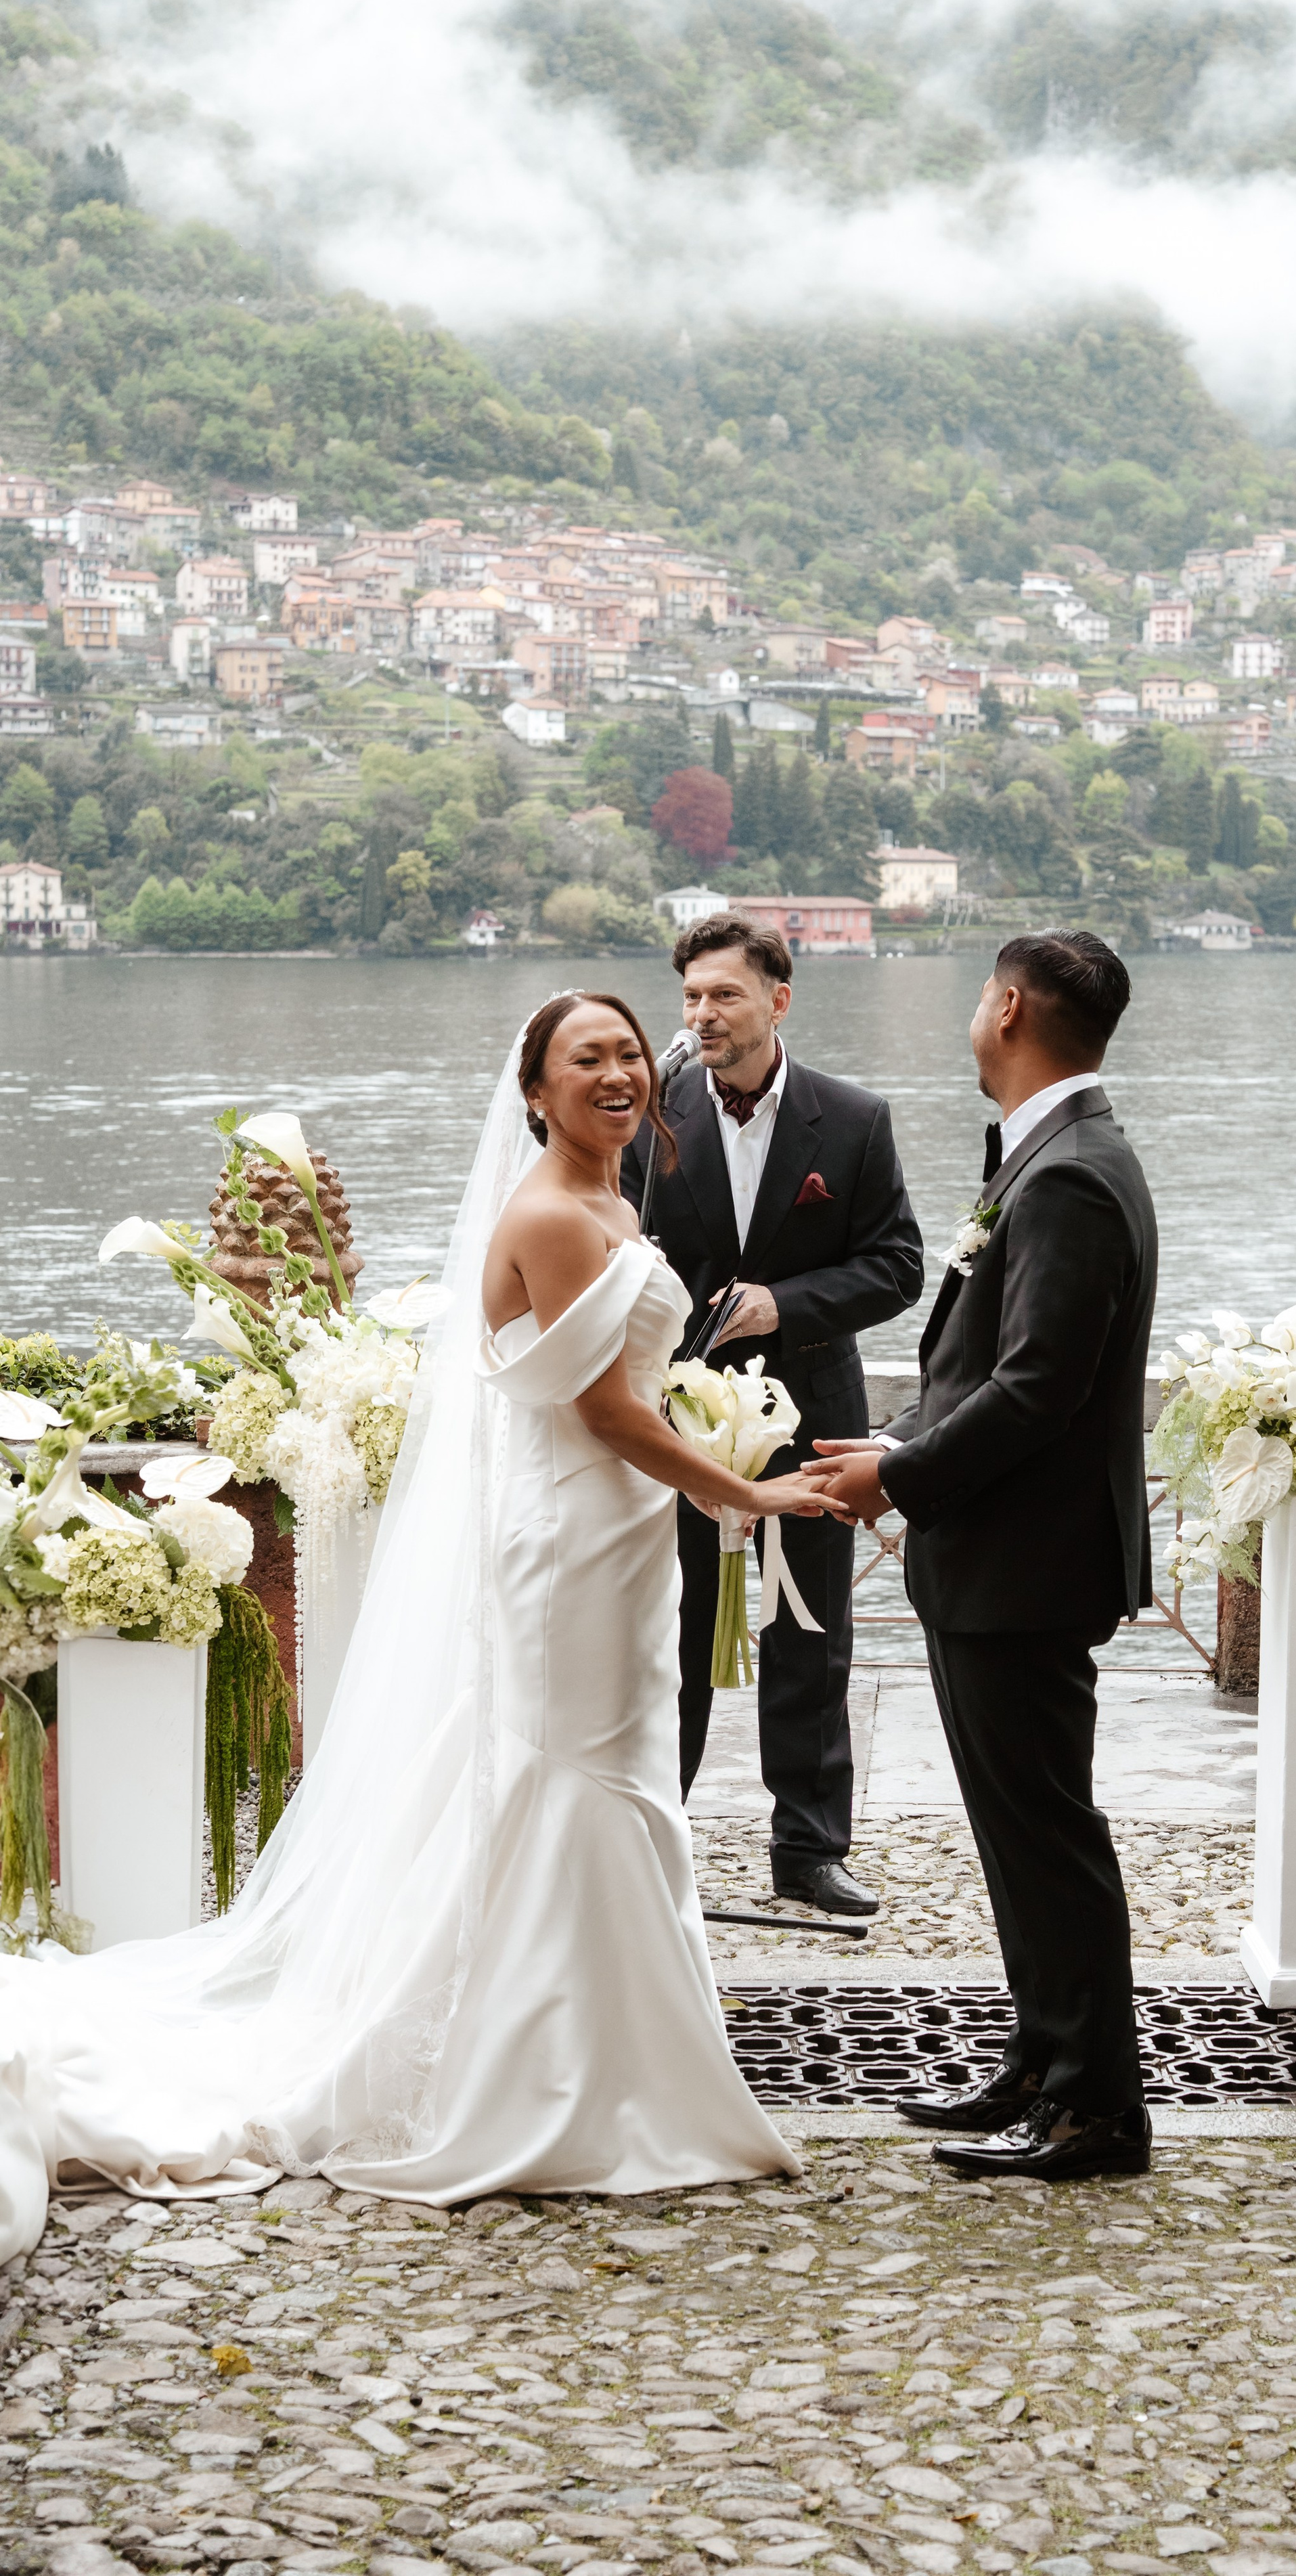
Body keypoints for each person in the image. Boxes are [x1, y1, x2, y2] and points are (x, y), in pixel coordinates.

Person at [0, 991, 845, 2256]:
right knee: (574, 1775)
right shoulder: (557, 1214)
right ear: (535, 1093)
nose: (617, 1074)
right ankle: (553, 2082)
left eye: (628, 1055)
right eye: (586, 1060)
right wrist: (744, 1488)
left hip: (617, 1538)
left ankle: (611, 2057)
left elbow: (625, 1393)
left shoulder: (616, 1202)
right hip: (572, 1537)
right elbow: (608, 1415)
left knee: (599, 1773)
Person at [803, 931, 1159, 2185]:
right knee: (1018, 1833)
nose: (970, 1016)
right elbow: (983, 1366)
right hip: (1001, 1557)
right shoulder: (1055, 1152)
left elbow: (1039, 1386)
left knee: (1048, 1833)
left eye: (975, 997)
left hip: (1025, 1566)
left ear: (1007, 1007)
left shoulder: (1068, 1173)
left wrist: (898, 1475)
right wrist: (894, 1434)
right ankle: (1042, 2063)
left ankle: (1099, 2114)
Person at [621, 914, 923, 1918]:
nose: (702, 1015)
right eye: (691, 998)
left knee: (812, 1632)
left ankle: (808, 1851)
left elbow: (897, 1267)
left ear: (778, 1001)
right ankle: (660, 1835)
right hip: (678, 1417)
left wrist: (785, 1304)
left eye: (724, 996)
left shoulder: (853, 1118)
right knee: (674, 1632)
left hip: (813, 1418)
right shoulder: (646, 1114)